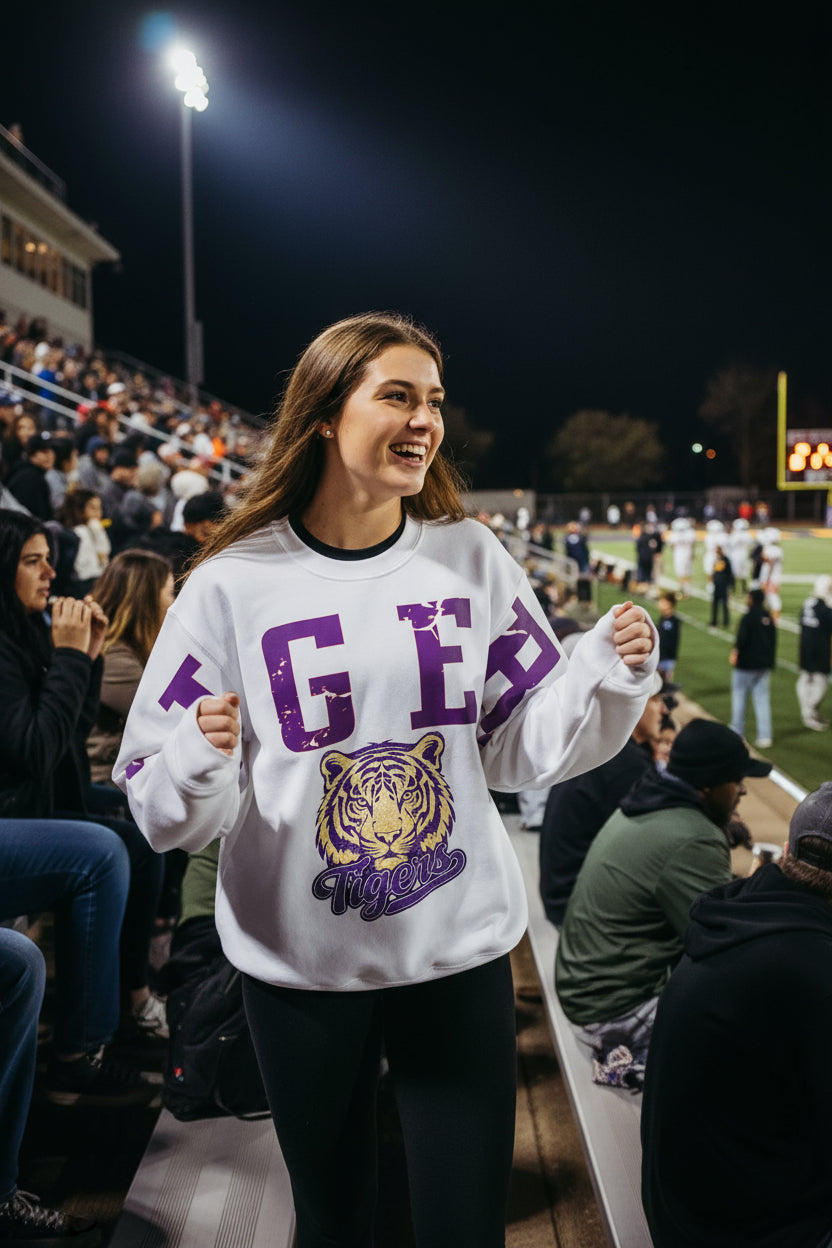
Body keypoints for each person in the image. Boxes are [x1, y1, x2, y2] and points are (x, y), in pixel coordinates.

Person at [114, 311, 657, 1248]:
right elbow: (161, 810)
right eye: (398, 395)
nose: (425, 420)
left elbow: (515, 750)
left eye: (435, 401)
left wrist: (598, 672)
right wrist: (196, 756)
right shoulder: (230, 583)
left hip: (458, 948)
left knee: (464, 1225)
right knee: (333, 1222)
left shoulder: (471, 557)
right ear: (326, 413)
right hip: (299, 959)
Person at [0, 509, 167, 1041]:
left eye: (49, 559)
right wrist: (72, 657)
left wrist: (86, 658)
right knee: (102, 853)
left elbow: (64, 746)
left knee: (141, 835)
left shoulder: (24, 633)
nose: (50, 573)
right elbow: (37, 753)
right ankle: (84, 1048)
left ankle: (130, 995)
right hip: (16, 807)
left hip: (31, 798)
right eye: (32, 561)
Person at [641, 782, 832, 1248]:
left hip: (682, 1208)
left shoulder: (738, 910)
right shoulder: (812, 966)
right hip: (741, 1231)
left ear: (787, 852)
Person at [555, 719, 770, 1086]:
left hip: (586, 989)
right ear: (708, 786)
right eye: (736, 781)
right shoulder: (695, 837)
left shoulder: (648, 799)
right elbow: (726, 948)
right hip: (611, 1014)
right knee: (769, 1015)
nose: (742, 791)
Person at [539, 668, 667, 926]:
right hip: (578, 907)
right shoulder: (625, 766)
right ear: (633, 704)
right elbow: (653, 849)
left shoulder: (603, 747)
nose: (663, 709)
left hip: (562, 893)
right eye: (655, 699)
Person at [730, 587, 776, 749]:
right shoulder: (768, 617)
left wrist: (735, 653)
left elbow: (741, 640)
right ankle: (765, 735)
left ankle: (737, 732)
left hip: (746, 665)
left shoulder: (748, 617)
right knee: (762, 700)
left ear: (751, 599)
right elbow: (773, 642)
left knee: (739, 697)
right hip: (763, 666)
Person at [796, 574, 832, 731]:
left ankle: (810, 712)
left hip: (805, 647)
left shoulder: (808, 603)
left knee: (806, 678)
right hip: (819, 650)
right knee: (820, 682)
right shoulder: (824, 608)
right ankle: (809, 712)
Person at [655, 591, 680, 683]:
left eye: (662, 601)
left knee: (663, 685)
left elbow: (668, 642)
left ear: (669, 604)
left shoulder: (672, 621)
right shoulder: (663, 618)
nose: (659, 603)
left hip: (665, 658)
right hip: (661, 657)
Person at [709, 543, 734, 628]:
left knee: (724, 604)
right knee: (715, 604)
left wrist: (730, 584)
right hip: (717, 585)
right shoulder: (717, 559)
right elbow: (714, 571)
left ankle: (725, 621)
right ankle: (714, 621)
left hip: (723, 585)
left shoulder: (725, 560)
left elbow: (729, 572)